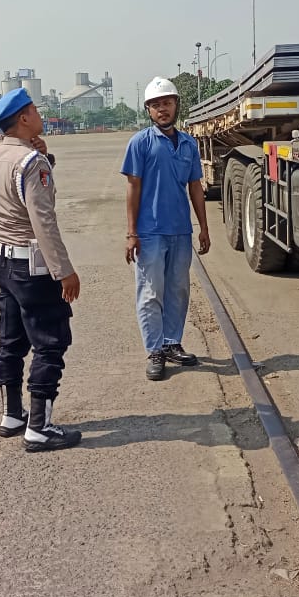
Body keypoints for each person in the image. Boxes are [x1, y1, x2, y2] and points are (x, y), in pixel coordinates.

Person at [0, 87, 82, 452]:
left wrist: (42, 157)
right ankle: (39, 428)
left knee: (11, 339)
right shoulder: (31, 163)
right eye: (36, 111)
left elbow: (16, 194)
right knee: (50, 342)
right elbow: (43, 221)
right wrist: (64, 270)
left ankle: (12, 414)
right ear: (24, 118)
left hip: (4, 262)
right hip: (32, 265)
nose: (40, 115)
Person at [122, 76, 210, 381]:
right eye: (156, 105)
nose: (163, 109)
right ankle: (155, 350)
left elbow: (195, 186)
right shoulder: (140, 143)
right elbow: (133, 188)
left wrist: (203, 227)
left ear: (176, 106)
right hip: (150, 232)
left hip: (180, 230)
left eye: (167, 103)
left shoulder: (188, 143)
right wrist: (131, 233)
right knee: (150, 292)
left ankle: (172, 342)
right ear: (148, 110)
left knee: (178, 290)